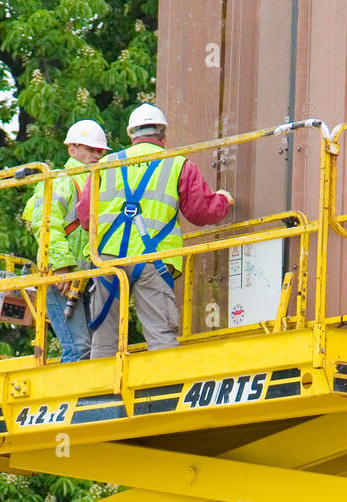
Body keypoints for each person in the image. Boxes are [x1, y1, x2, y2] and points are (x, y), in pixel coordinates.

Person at [75, 103, 233, 356]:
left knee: (104, 339)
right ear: (163, 135)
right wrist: (224, 200)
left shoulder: (105, 164)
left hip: (107, 260)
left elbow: (84, 217)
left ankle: (100, 392)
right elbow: (200, 211)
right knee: (161, 335)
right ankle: (167, 392)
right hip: (153, 260)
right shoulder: (177, 163)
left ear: (131, 135)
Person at [22, 119, 109, 362]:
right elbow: (46, 221)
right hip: (62, 277)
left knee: (97, 350)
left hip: (87, 276)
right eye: (90, 149)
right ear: (72, 150)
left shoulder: (98, 181)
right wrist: (61, 265)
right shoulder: (62, 179)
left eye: (99, 150)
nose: (97, 154)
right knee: (79, 347)